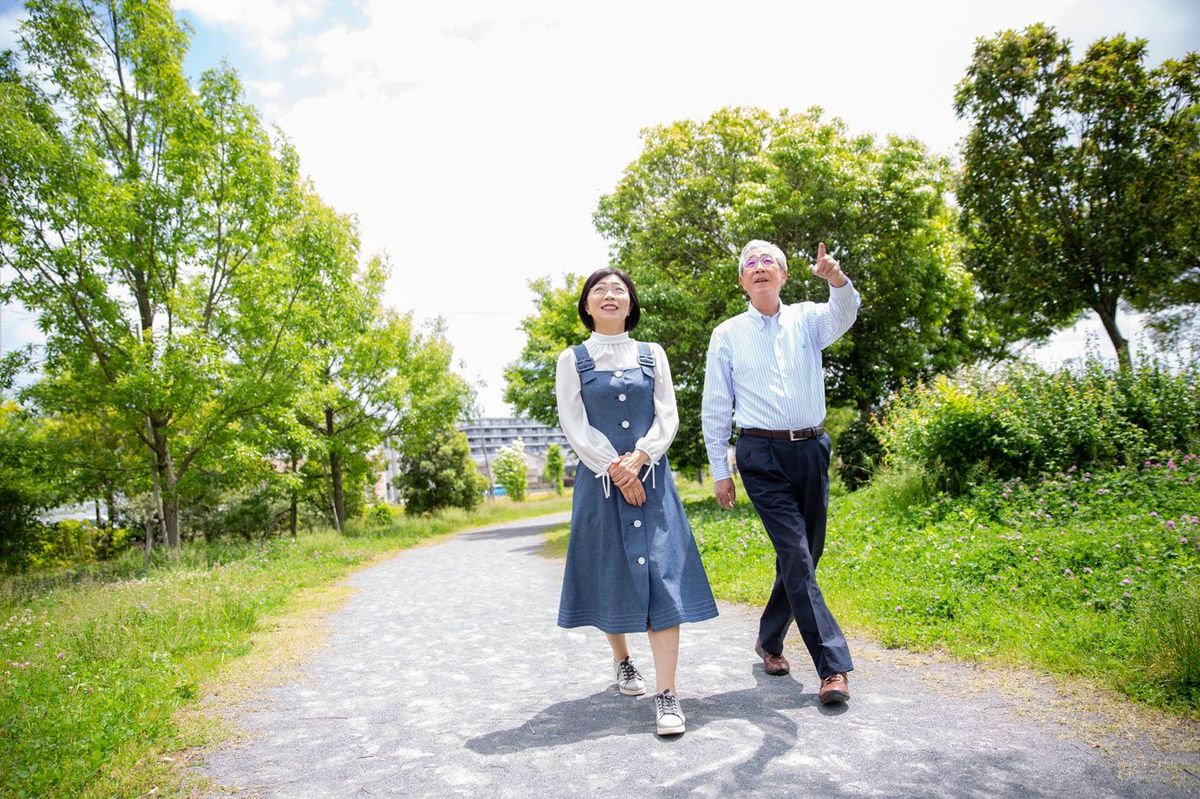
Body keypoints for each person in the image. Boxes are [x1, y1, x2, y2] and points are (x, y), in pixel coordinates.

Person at [556, 267, 718, 736]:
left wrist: (642, 456)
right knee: (614, 574)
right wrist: (614, 466)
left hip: (653, 482)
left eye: (619, 290)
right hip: (601, 484)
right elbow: (574, 423)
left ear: (631, 304)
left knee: (663, 578)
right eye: (599, 291)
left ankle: (667, 694)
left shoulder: (654, 354)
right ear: (587, 306)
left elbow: (668, 413)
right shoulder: (573, 359)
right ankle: (623, 660)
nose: (610, 295)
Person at [701, 239, 860, 705]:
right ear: (742, 282)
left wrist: (837, 281)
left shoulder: (809, 318)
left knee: (805, 554)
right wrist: (719, 469)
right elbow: (715, 405)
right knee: (795, 553)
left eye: (768, 261)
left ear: (785, 276)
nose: (759, 268)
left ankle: (770, 640)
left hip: (811, 449)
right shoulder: (727, 334)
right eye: (750, 264)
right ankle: (832, 667)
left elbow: (844, 314)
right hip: (760, 455)